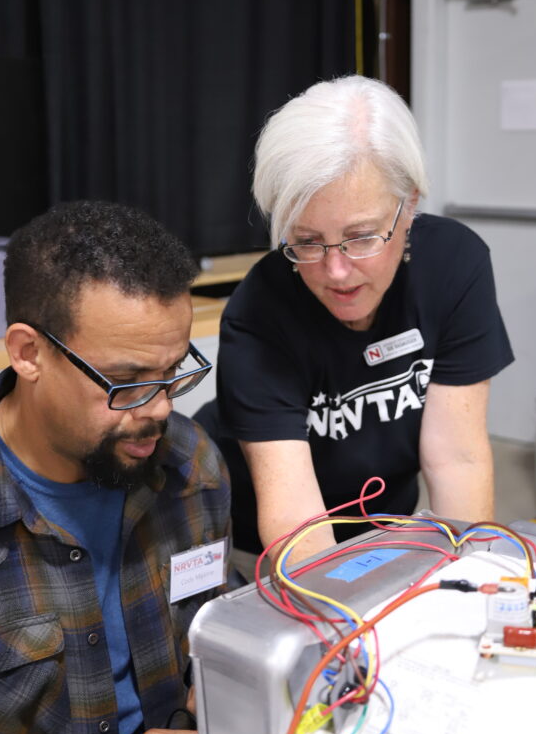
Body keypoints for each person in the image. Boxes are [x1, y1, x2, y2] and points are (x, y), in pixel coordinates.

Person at [0, 200, 230, 734]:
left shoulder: (191, 467)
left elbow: (212, 620)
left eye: (174, 374)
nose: (158, 410)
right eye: (126, 381)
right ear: (28, 353)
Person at [203, 75, 513, 572]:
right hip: (261, 540)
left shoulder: (455, 266)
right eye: (306, 240)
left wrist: (473, 581)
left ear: (408, 204)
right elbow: (295, 521)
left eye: (362, 237)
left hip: (387, 522)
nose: (336, 270)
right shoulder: (259, 312)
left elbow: (457, 458)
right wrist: (344, 625)